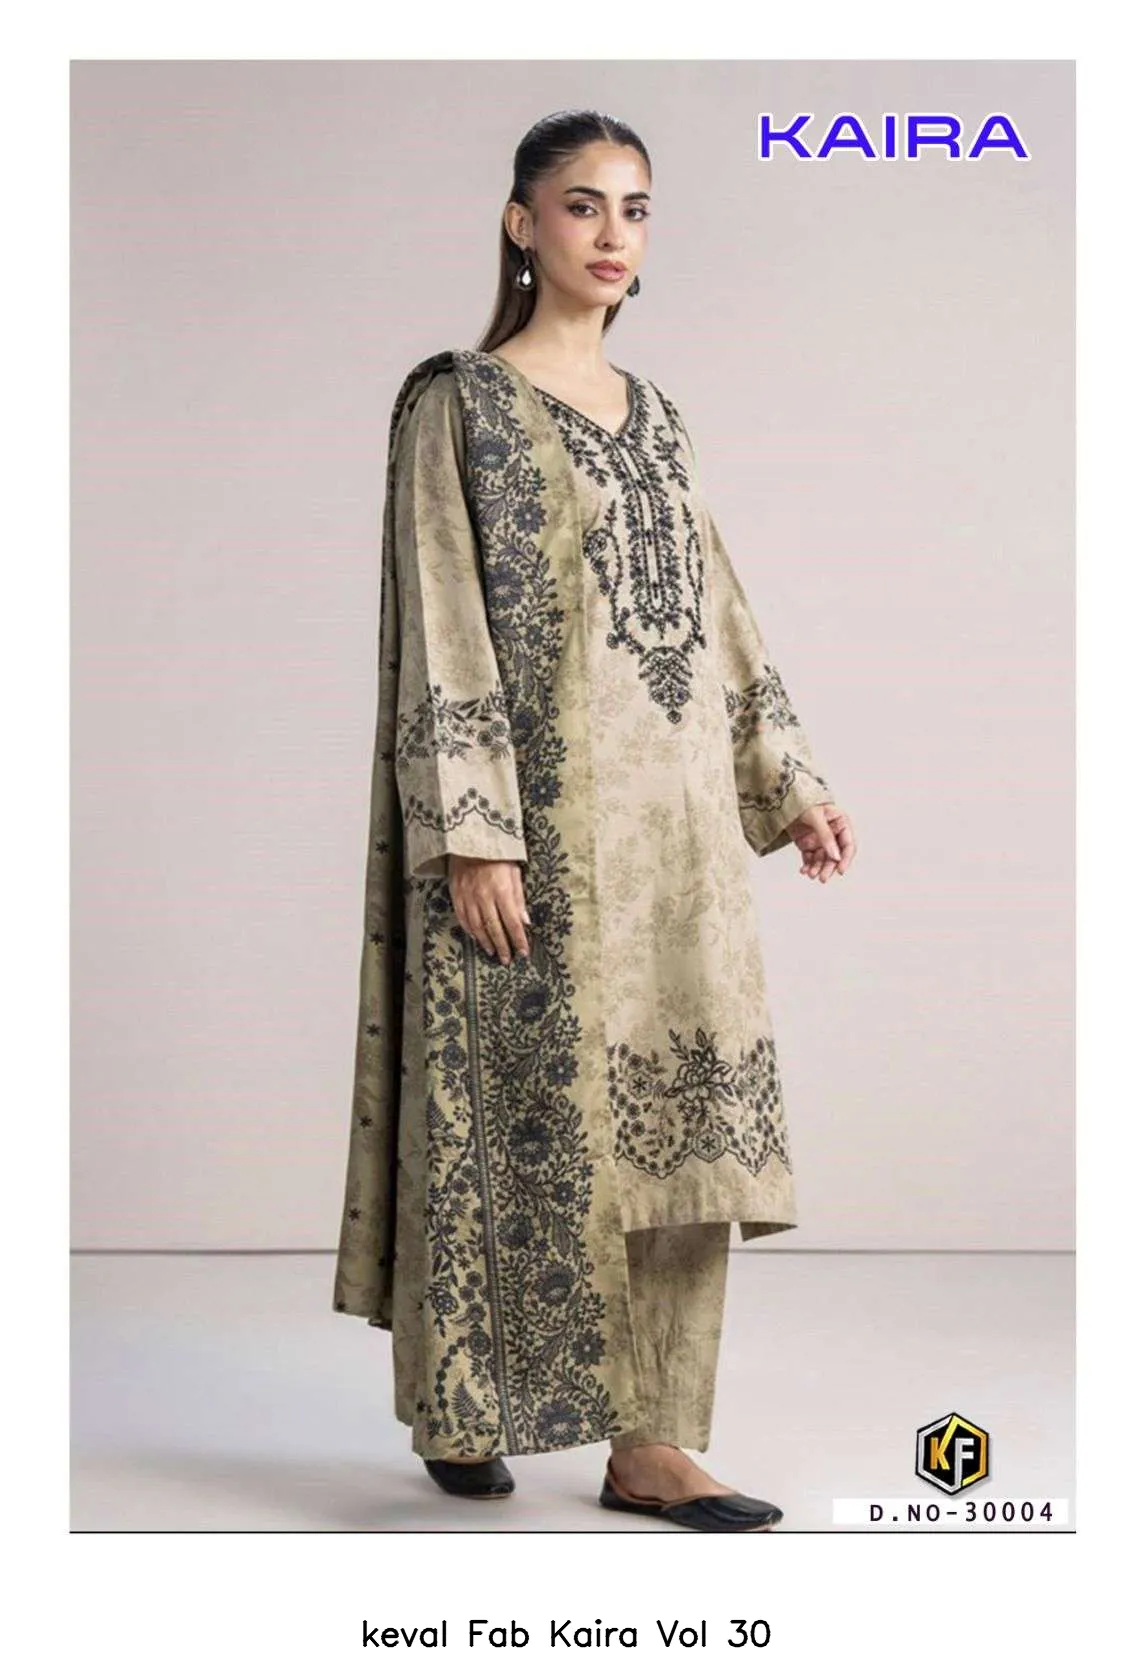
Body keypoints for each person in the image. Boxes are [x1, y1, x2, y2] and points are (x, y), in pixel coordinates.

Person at [332, 108, 856, 1533]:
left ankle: (654, 1444)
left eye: (636, 209)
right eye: (583, 205)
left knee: (684, 1126)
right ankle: (464, 1406)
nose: (613, 235)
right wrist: (472, 829)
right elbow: (444, 617)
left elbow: (718, 605)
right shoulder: (458, 404)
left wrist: (791, 779)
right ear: (522, 224)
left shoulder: (659, 413)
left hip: (678, 838)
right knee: (501, 1122)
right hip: (541, 835)